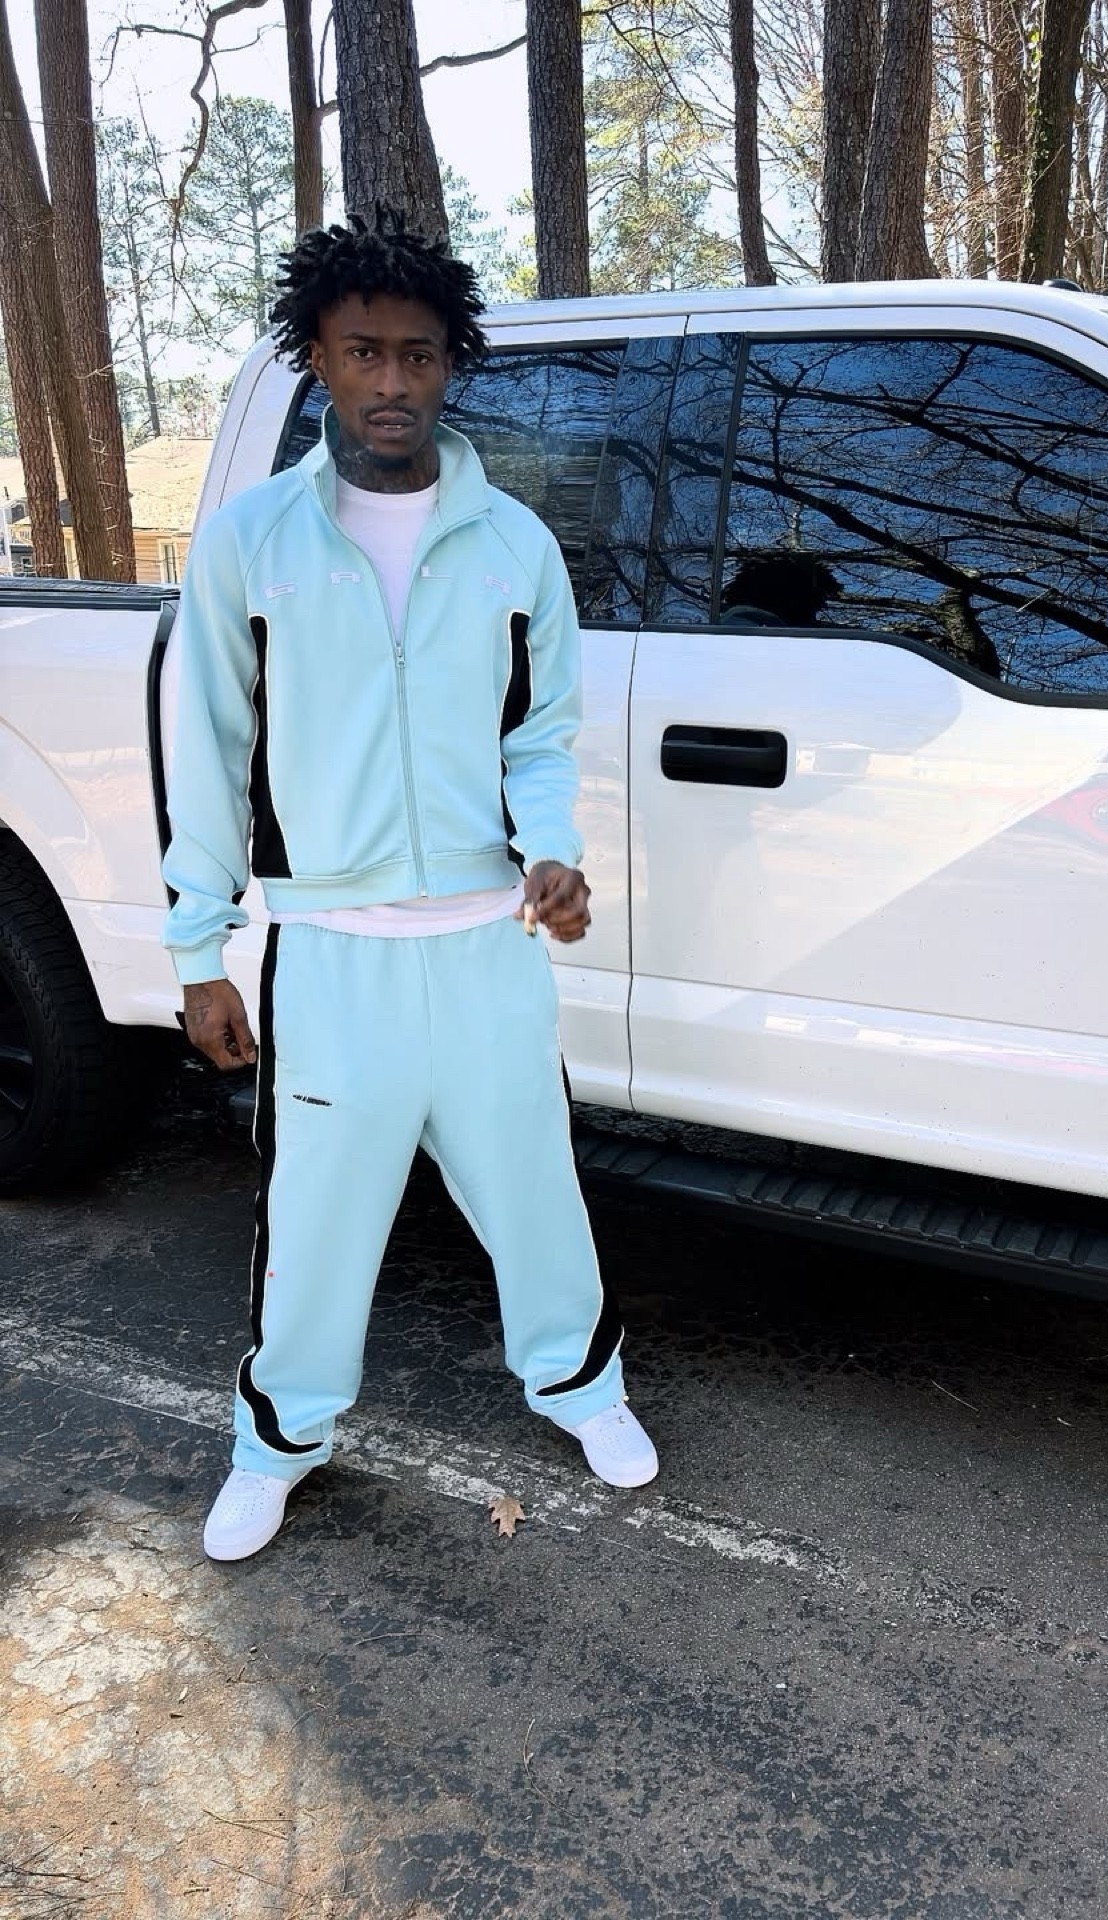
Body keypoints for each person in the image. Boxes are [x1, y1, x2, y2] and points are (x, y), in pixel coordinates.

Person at [163, 210, 657, 1563]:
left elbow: (539, 733)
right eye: (363, 351)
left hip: (488, 944)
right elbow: (207, 748)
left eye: (420, 354)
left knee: (536, 1192)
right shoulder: (252, 544)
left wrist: (550, 849)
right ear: (318, 359)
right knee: (315, 1223)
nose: (392, 380)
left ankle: (582, 1387)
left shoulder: (514, 547)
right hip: (332, 951)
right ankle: (279, 1441)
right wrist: (199, 950)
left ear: (452, 365)